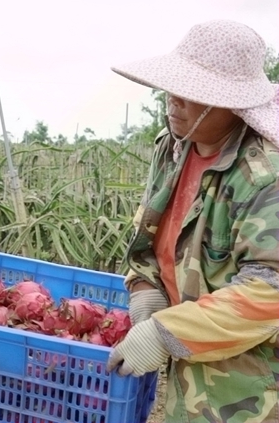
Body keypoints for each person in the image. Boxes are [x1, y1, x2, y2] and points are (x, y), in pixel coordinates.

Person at [105, 20, 279, 423]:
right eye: (173, 87)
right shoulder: (173, 148)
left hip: (246, 389)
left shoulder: (264, 177)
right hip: (188, 373)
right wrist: (145, 285)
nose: (173, 101)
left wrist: (166, 332)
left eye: (193, 92)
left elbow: (269, 291)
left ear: (233, 103)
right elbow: (151, 230)